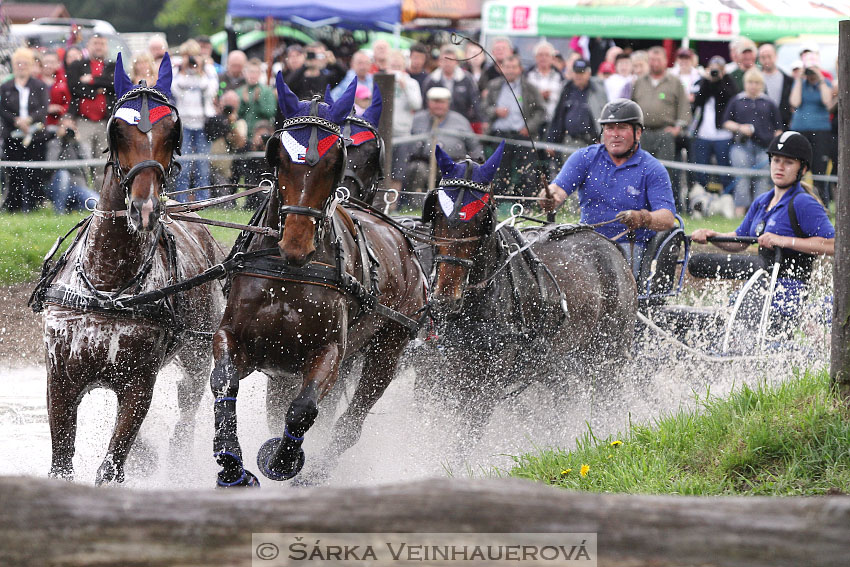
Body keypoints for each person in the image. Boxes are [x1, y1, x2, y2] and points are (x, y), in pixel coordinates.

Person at [691, 131, 834, 332]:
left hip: (789, 291)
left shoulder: (804, 203)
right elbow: (739, 242)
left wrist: (784, 241)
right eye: (776, 160)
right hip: (758, 287)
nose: (780, 167)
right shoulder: (762, 201)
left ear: (802, 168)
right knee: (720, 324)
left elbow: (834, 245)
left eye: (788, 162)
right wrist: (713, 236)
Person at [538, 99, 676, 275]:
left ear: (638, 133)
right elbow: (557, 190)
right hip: (586, 241)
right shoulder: (584, 158)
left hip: (629, 245)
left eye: (622, 128)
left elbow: (667, 218)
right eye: (609, 128)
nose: (614, 134)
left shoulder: (652, 169)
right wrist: (548, 197)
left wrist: (642, 218)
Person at [631, 46, 691, 211]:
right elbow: (632, 106)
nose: (654, 63)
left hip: (665, 134)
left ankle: (665, 207)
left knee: (665, 171)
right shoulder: (639, 82)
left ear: (665, 61)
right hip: (642, 133)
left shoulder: (674, 82)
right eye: (651, 60)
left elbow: (685, 109)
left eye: (658, 60)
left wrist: (678, 127)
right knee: (640, 170)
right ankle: (641, 205)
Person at [723, 68, 782, 216]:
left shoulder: (769, 103)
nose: (753, 86)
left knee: (762, 180)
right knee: (741, 179)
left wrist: (775, 145)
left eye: (756, 83)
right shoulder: (737, 100)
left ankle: (758, 213)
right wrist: (739, 128)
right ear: (745, 83)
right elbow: (725, 122)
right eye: (750, 82)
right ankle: (739, 213)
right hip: (741, 146)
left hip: (764, 147)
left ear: (761, 84)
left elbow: (778, 128)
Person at [484, 55, 545, 197]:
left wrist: (529, 127)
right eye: (507, 67)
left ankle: (527, 204)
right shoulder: (494, 86)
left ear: (520, 69)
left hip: (523, 135)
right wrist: (495, 111)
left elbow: (541, 111)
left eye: (513, 67)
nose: (510, 71)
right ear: (501, 69)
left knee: (527, 172)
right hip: (499, 135)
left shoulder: (529, 88)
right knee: (499, 172)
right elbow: (483, 108)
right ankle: (497, 204)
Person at [404, 87, 483, 195]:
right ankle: (419, 204)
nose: (438, 106)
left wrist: (479, 164)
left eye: (442, 102)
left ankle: (454, 204)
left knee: (462, 171)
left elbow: (474, 145)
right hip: (424, 162)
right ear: (428, 102)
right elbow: (407, 143)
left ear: (448, 103)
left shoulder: (460, 121)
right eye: (435, 102)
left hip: (454, 163)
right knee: (417, 169)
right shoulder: (418, 119)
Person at [1, 48, 49, 211]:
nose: (21, 66)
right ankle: (14, 206)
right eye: (18, 63)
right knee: (14, 172)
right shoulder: (6, 86)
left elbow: (43, 108)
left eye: (24, 63)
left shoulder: (39, 85)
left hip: (35, 135)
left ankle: (33, 205)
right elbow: (2, 108)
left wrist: (29, 119)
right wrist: (16, 120)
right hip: (12, 135)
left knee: (34, 172)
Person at [65, 33, 116, 186]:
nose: (99, 47)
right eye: (95, 43)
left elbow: (113, 85)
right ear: (88, 46)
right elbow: (74, 87)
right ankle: (84, 198)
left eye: (102, 44)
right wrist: (96, 91)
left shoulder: (112, 66)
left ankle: (101, 200)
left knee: (103, 164)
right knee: (84, 162)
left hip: (104, 122)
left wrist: (92, 80)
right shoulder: (78, 65)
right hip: (83, 122)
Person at [173, 41, 218, 202]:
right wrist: (184, 70)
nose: (191, 59)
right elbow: (176, 91)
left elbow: (211, 91)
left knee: (202, 165)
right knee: (182, 165)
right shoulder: (177, 71)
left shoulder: (208, 70)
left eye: (194, 55)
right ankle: (180, 200)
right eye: (187, 55)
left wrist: (200, 72)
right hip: (184, 123)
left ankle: (203, 200)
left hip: (202, 123)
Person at [690, 55, 738, 199]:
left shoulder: (729, 81)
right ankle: (700, 199)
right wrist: (708, 80)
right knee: (701, 169)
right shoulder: (703, 81)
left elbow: (729, 97)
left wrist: (720, 80)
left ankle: (727, 199)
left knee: (724, 169)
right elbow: (698, 101)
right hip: (703, 133)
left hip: (723, 134)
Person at [789, 60, 834, 204]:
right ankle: (795, 202)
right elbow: (794, 102)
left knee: (819, 169)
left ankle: (822, 204)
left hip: (820, 130)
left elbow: (827, 101)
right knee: (797, 168)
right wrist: (799, 79)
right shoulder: (800, 84)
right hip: (800, 129)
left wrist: (820, 79)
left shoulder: (825, 83)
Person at [421, 45, 484, 133]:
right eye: (445, 60)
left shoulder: (467, 79)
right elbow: (425, 104)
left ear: (457, 62)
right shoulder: (431, 80)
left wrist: (480, 121)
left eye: (451, 60)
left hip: (461, 124)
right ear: (439, 62)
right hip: (436, 124)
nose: (448, 63)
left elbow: (476, 102)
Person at [44, 115, 99, 212]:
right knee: (63, 174)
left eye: (70, 127)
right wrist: (59, 139)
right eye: (64, 127)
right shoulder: (53, 143)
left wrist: (78, 142)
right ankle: (59, 211)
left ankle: (73, 208)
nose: (67, 131)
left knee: (95, 202)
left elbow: (88, 161)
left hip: (78, 186)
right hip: (57, 186)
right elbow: (50, 162)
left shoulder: (79, 144)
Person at [548, 58, 608, 147]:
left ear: (589, 73)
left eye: (582, 72)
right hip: (569, 141)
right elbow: (558, 116)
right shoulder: (567, 89)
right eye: (576, 72)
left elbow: (603, 116)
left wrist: (602, 138)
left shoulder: (597, 91)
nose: (578, 76)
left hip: (591, 142)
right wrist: (552, 140)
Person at [525, 41, 564, 135]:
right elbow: (521, 97)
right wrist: (538, 96)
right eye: (540, 55)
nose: (543, 58)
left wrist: (550, 96)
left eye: (547, 55)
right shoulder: (527, 76)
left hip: (552, 120)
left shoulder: (560, 77)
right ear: (535, 57)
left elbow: (562, 99)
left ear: (552, 58)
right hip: (531, 121)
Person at [758, 43, 794, 129]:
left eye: (769, 56)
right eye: (763, 57)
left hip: (783, 123)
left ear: (776, 56)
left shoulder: (788, 79)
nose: (766, 60)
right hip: (762, 126)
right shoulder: (755, 79)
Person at [237, 58, 277, 135]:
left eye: (256, 72)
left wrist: (259, 101)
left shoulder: (267, 91)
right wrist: (243, 102)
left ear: (260, 74)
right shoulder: (239, 91)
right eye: (251, 72)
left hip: (260, 133)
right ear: (245, 73)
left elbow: (271, 113)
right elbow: (236, 115)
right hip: (243, 135)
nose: (253, 75)